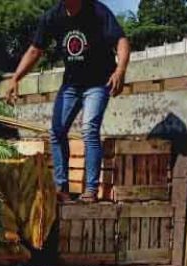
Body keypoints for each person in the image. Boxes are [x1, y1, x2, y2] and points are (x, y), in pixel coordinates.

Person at [7, 0, 130, 203]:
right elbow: (35, 50)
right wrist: (15, 78)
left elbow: (121, 40)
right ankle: (62, 188)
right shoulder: (52, 17)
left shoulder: (97, 10)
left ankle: (91, 189)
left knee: (89, 129)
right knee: (57, 131)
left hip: (98, 82)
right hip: (72, 84)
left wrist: (120, 70)